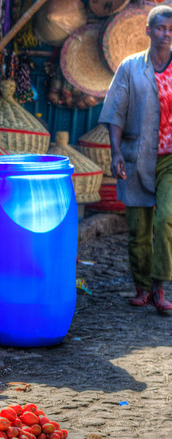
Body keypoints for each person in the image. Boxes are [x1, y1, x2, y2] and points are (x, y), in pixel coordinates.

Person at [100, 4, 172, 312]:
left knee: (166, 218)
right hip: (136, 155)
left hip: (169, 160)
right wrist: (116, 153)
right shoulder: (130, 67)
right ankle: (142, 288)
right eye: (160, 28)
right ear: (148, 31)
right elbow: (116, 111)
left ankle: (159, 286)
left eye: (170, 29)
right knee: (138, 231)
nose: (165, 34)